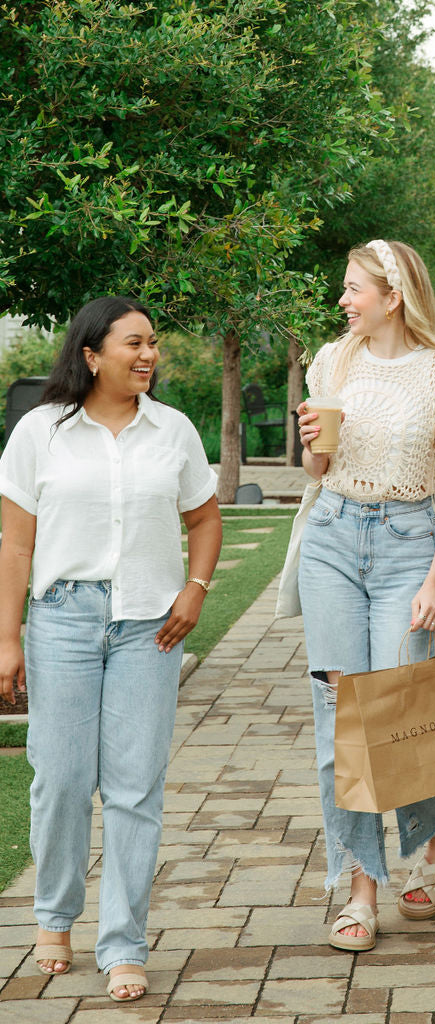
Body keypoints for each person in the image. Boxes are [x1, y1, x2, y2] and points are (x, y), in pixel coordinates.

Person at [0, 296, 222, 1003]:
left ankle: (124, 942)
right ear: (92, 354)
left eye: (153, 342)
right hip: (63, 619)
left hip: (149, 625)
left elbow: (205, 515)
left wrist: (195, 587)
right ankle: (55, 916)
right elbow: (16, 543)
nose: (150, 354)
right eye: (135, 343)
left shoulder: (174, 430)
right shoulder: (41, 432)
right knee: (61, 778)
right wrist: (8, 638)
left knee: (134, 788)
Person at [295, 239, 435, 952]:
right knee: (342, 718)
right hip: (333, 537)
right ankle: (361, 886)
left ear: (393, 295)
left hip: (407, 543)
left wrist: (434, 579)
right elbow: (317, 466)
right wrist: (313, 442)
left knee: (404, 714)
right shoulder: (330, 360)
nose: (343, 300)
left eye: (353, 289)